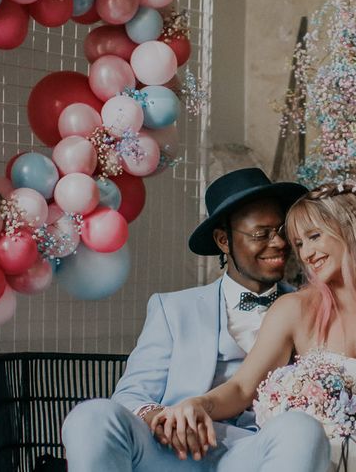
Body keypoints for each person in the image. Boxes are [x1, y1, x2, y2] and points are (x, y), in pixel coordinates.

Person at [154, 183, 356, 472]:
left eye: (314, 237)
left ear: (352, 230)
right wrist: (198, 404)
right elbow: (241, 389)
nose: (306, 254)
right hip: (326, 455)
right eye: (298, 244)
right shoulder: (293, 310)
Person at [61, 167, 331, 472]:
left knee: (301, 429)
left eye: (282, 231)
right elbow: (130, 395)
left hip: (255, 451)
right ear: (223, 240)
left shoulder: (309, 309)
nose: (279, 243)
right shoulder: (173, 309)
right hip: (172, 451)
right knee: (92, 415)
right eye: (261, 234)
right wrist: (160, 419)